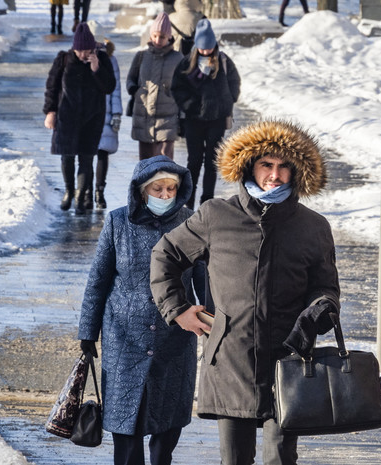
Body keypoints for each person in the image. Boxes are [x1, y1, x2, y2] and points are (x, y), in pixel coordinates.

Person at [150, 120, 341, 465]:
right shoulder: (216, 215)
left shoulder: (313, 227)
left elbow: (325, 287)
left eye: (284, 166)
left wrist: (321, 309)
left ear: (296, 171)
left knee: (280, 458)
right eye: (266, 164)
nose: (275, 175)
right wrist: (178, 309)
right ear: (249, 166)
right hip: (230, 360)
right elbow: (166, 254)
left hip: (289, 360)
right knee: (234, 460)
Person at [78, 155, 200, 465]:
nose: (165, 195)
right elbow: (98, 281)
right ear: (142, 190)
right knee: (126, 425)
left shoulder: (192, 224)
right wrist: (87, 332)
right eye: (157, 189)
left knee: (167, 423)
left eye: (171, 189)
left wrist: (215, 323)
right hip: (124, 339)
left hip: (175, 339)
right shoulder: (118, 222)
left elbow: (207, 280)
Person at [43, 22, 114, 214]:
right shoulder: (63, 60)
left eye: (87, 50)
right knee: (67, 157)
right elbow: (52, 87)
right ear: (74, 48)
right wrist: (50, 112)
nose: (83, 54)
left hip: (92, 118)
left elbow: (109, 86)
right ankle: (69, 191)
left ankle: (81, 197)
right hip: (66, 117)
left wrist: (96, 68)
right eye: (80, 50)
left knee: (86, 158)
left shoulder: (101, 60)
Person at [170, 18, 240, 210]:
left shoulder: (223, 61)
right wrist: (191, 106)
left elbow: (234, 83)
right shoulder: (187, 63)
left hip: (216, 119)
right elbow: (177, 88)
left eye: (209, 48)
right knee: (194, 161)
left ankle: (207, 201)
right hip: (193, 120)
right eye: (202, 48)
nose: (206, 52)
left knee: (212, 161)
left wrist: (227, 102)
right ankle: (188, 201)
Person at [126, 12, 183, 160]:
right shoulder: (141, 56)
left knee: (164, 160)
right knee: (145, 164)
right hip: (143, 115)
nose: (158, 40)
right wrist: (134, 90)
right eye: (155, 35)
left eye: (162, 37)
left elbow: (184, 86)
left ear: (169, 37)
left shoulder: (177, 58)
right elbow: (131, 78)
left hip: (168, 117)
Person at [87, 20, 123, 210]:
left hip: (106, 113)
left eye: (98, 42)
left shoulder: (110, 59)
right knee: (86, 154)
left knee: (102, 152)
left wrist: (116, 113)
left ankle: (99, 191)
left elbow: (116, 89)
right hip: (87, 113)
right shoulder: (83, 58)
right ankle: (85, 190)